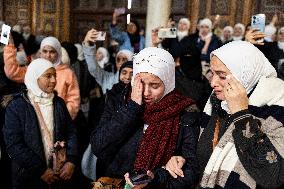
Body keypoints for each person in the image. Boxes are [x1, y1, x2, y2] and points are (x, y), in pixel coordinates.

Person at [90, 47, 200, 189]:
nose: (146, 92)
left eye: (154, 85)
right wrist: (132, 108)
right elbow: (99, 146)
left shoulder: (185, 111)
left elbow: (191, 171)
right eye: (141, 83)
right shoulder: (119, 100)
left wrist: (156, 179)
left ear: (168, 82)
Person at [197, 41, 284, 188]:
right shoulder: (217, 103)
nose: (213, 83)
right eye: (212, 73)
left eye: (222, 76)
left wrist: (241, 114)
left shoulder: (277, 107)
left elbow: (273, 175)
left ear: (245, 74)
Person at [3, 58, 78, 189]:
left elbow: (71, 132)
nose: (54, 80)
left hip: (58, 173)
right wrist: (40, 170)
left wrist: (71, 160)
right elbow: (14, 144)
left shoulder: (58, 103)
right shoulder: (17, 106)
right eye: (48, 76)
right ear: (35, 77)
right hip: (28, 176)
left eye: (55, 75)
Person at [3, 36, 80, 119]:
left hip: (57, 121)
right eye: (45, 51)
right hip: (33, 119)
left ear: (58, 53)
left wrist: (62, 119)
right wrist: (9, 46)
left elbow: (73, 100)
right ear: (40, 52)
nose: (48, 55)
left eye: (52, 52)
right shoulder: (34, 69)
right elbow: (12, 72)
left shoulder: (67, 73)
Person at [83, 29, 133, 94]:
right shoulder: (107, 79)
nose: (120, 62)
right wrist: (88, 44)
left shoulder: (138, 82)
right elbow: (93, 68)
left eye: (124, 59)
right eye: (118, 59)